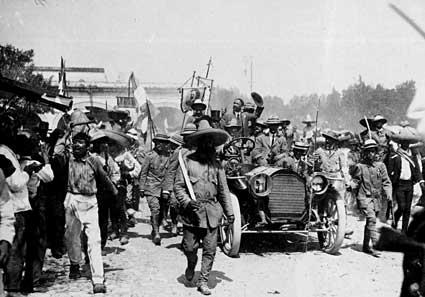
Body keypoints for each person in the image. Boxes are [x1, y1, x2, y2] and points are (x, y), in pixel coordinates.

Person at [174, 120, 234, 295]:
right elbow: (178, 186)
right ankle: (191, 264)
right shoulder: (186, 162)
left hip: (212, 213)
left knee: (210, 249)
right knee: (190, 248)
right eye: (205, 141)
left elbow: (224, 192)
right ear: (198, 143)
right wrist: (187, 202)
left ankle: (203, 281)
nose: (209, 145)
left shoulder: (218, 166)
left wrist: (230, 214)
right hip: (191, 214)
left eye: (211, 142)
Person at [57, 132, 117, 294]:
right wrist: (65, 136)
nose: (77, 145)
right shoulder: (66, 159)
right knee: (71, 236)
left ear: (88, 146)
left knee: (94, 240)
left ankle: (98, 279)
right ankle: (75, 264)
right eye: (75, 142)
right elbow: (56, 152)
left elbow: (106, 180)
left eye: (81, 142)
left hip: (90, 202)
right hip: (71, 200)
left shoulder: (94, 161)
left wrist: (115, 195)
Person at [350, 139, 392, 257]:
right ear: (364, 153)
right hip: (364, 198)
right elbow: (356, 180)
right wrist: (350, 185)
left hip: (377, 199)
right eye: (368, 152)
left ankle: (365, 246)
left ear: (376, 152)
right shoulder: (360, 166)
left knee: (370, 221)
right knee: (371, 219)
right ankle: (375, 245)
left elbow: (386, 181)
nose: (370, 154)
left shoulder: (381, 166)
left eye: (373, 151)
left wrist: (388, 193)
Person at [388, 128, 424, 233]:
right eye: (404, 142)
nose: (406, 145)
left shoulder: (412, 157)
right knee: (402, 207)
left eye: (407, 143)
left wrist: (421, 182)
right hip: (399, 184)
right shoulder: (395, 156)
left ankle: (404, 230)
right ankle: (394, 223)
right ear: (400, 143)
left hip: (409, 184)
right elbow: (390, 171)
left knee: (408, 209)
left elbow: (417, 171)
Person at [162, 126, 196, 236]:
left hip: (195, 184)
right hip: (180, 184)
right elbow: (170, 171)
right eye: (187, 136)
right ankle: (174, 224)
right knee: (174, 204)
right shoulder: (179, 152)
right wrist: (167, 189)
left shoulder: (199, 151)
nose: (190, 139)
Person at [139, 133, 171, 245]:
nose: (159, 145)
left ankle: (154, 228)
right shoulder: (150, 156)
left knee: (162, 211)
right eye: (157, 142)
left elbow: (170, 174)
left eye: (162, 143)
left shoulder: (169, 157)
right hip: (151, 187)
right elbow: (143, 173)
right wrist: (142, 188)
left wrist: (168, 189)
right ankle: (157, 233)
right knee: (155, 209)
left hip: (164, 188)